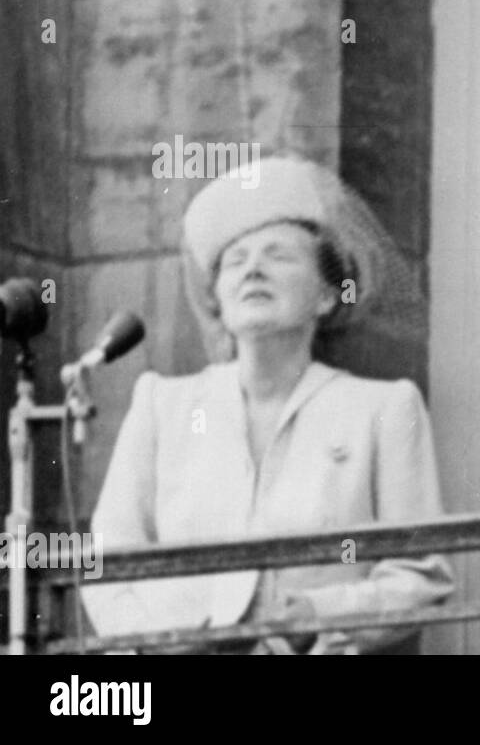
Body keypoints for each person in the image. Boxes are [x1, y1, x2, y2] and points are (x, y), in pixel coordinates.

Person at [82, 155, 453, 654]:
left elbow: (420, 574)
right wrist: (165, 638)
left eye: (278, 255)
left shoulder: (383, 410)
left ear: (326, 295)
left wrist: (320, 615)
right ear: (218, 298)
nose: (253, 269)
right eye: (235, 260)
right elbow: (105, 563)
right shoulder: (161, 406)